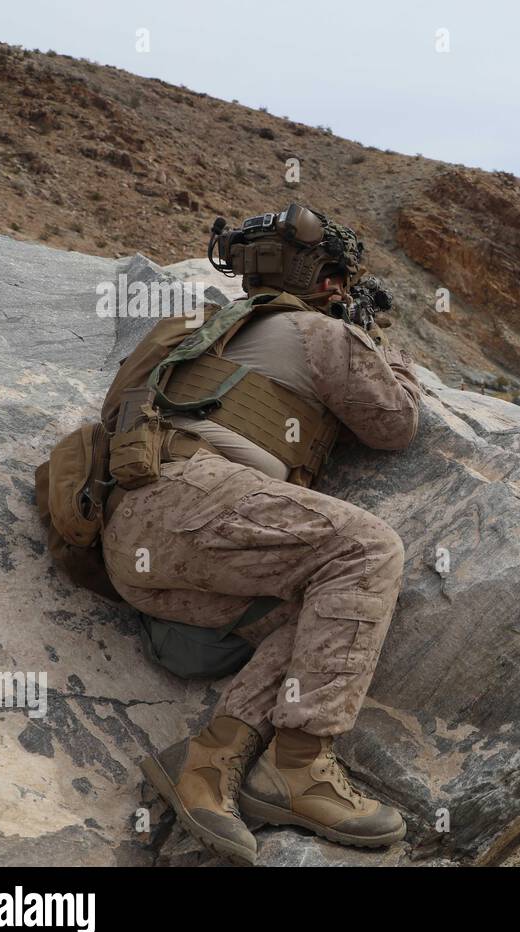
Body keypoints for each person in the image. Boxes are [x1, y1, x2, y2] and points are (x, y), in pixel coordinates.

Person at [102, 205, 420, 863]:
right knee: (367, 548)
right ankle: (301, 766)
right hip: (192, 502)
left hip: (142, 547)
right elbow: (395, 424)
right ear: (327, 282)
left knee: (320, 616)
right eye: (337, 279)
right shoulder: (318, 333)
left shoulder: (204, 331)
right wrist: (387, 351)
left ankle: (207, 765)